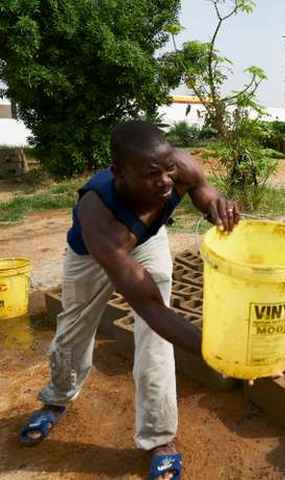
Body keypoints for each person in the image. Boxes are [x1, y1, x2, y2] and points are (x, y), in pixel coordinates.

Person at [19, 120, 241, 479]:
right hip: (94, 256)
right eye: (153, 174)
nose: (166, 181)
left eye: (169, 170)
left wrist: (216, 206)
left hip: (147, 243)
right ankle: (56, 399)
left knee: (155, 340)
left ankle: (159, 437)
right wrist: (215, 352)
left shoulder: (174, 168)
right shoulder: (98, 216)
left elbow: (202, 188)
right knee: (73, 333)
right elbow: (149, 306)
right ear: (118, 173)